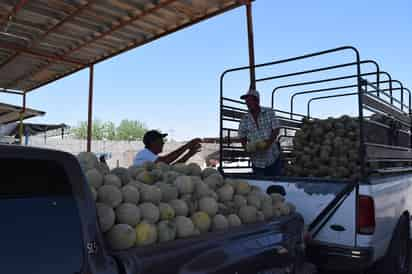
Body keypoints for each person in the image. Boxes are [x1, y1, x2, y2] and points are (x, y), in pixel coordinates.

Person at [238, 88, 282, 177]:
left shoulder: (269, 112)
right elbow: (242, 135)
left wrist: (268, 143)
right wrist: (246, 148)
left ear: (257, 101)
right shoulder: (245, 118)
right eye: (246, 101)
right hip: (257, 160)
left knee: (275, 183)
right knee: (260, 186)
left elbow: (276, 129)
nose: (247, 103)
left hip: (272, 157)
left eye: (250, 100)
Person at [133, 130, 202, 167]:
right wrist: (187, 145)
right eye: (160, 141)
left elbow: (171, 168)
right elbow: (165, 161)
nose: (163, 143)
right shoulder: (144, 153)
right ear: (152, 142)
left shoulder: (153, 158)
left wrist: (189, 154)